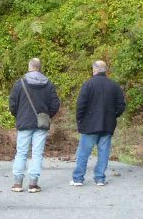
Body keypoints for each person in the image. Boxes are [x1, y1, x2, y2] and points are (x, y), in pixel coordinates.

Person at [8, 57, 61, 193]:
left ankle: (18, 183)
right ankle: (33, 184)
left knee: (21, 152)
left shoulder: (20, 84)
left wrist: (18, 115)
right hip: (41, 123)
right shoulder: (48, 84)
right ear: (39, 67)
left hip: (24, 122)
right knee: (37, 153)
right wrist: (47, 115)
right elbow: (55, 103)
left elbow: (12, 103)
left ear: (29, 67)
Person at [71, 60, 126, 186]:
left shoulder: (88, 84)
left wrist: (80, 120)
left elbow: (80, 105)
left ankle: (78, 178)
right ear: (105, 70)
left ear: (94, 70)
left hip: (89, 125)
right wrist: (113, 115)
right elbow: (121, 105)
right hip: (107, 124)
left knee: (83, 153)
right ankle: (100, 178)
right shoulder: (114, 85)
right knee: (103, 152)